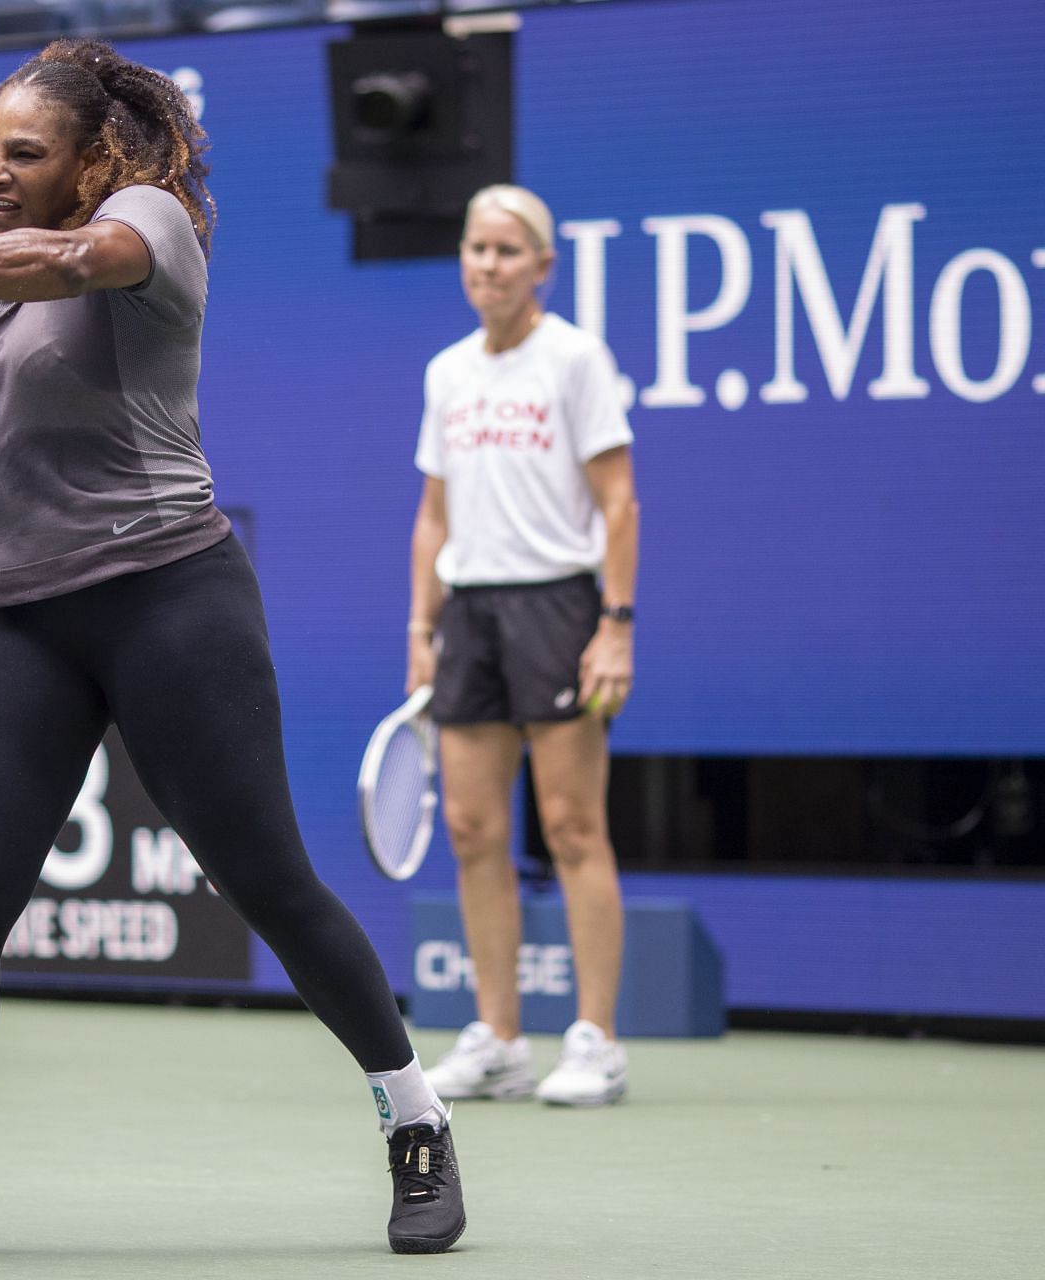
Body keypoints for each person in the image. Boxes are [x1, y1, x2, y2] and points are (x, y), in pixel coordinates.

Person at [0, 39, 464, 1260]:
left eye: (25, 153)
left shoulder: (147, 219)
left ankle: (415, 1121)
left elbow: (74, 261)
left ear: (89, 157)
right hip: (22, 618)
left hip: (172, 598)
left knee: (269, 883)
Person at [407, 185, 639, 1108]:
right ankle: (500, 1038)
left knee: (575, 827)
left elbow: (619, 501)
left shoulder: (577, 358)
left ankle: (596, 1040)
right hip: (468, 613)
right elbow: (433, 516)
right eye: (475, 248)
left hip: (560, 608)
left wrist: (614, 627)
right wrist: (422, 630)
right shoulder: (447, 373)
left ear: (542, 266)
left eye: (507, 251)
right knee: (472, 832)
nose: (487, 265)